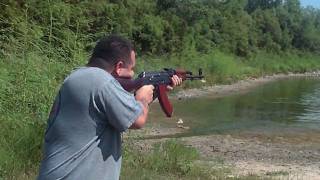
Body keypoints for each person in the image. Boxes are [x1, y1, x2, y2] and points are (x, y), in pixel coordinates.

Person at [37, 35, 182, 180]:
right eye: (132, 68)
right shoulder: (103, 82)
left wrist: (155, 91)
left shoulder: (77, 76)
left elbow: (123, 109)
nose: (133, 74)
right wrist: (143, 97)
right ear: (119, 67)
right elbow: (138, 120)